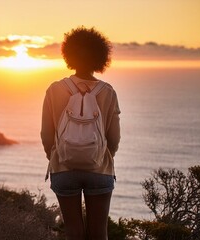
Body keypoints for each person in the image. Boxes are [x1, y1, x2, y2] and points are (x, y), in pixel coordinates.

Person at [41, 26, 120, 240]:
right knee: (98, 232)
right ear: (100, 57)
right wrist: (101, 155)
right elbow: (114, 138)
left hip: (63, 168)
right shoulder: (108, 92)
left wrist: (57, 156)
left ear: (69, 55)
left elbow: (46, 135)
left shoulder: (54, 89)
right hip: (99, 169)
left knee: (74, 232)